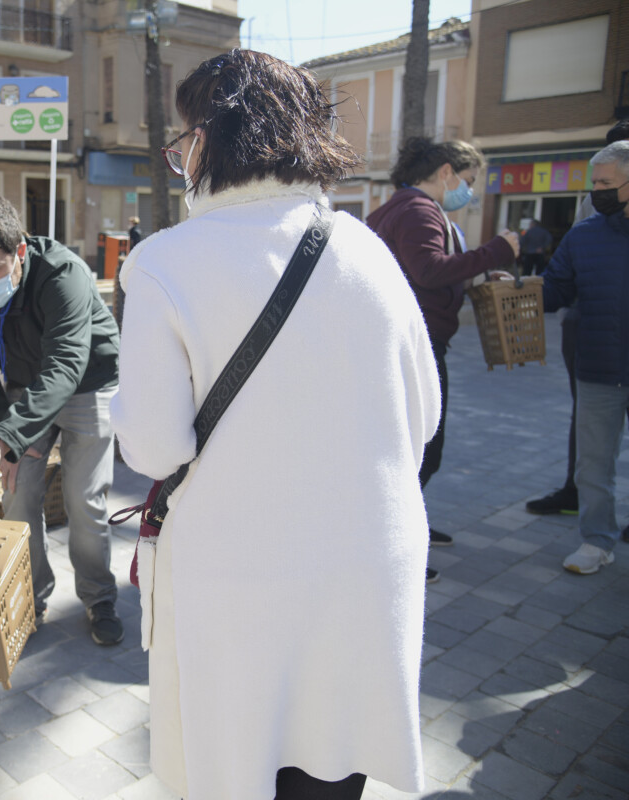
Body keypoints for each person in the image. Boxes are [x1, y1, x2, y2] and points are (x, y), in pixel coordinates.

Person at [110, 50, 440, 800]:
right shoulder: (366, 246)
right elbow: (424, 415)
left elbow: (156, 446)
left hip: (242, 573)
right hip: (367, 562)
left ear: (206, 139)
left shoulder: (165, 261)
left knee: (239, 761)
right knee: (332, 756)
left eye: (182, 140)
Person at [0, 189, 123, 645]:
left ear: (19, 251)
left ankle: (98, 597)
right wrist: (4, 436)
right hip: (24, 384)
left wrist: (8, 437)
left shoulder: (62, 273)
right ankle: (31, 599)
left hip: (88, 382)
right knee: (17, 497)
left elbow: (66, 363)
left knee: (85, 501)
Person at [367, 137, 519, 582]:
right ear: (447, 172)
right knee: (421, 451)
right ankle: (392, 542)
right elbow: (429, 270)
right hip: (416, 347)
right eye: (467, 181)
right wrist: (497, 251)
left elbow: (427, 273)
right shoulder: (418, 210)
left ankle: (403, 529)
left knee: (414, 448)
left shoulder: (403, 207)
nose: (467, 192)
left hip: (409, 343)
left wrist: (479, 274)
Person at [526, 119, 629, 521]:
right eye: (595, 184)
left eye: (605, 185)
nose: (596, 193)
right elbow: (556, 291)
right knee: (593, 465)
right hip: (599, 371)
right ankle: (596, 540)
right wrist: (520, 287)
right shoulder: (583, 235)